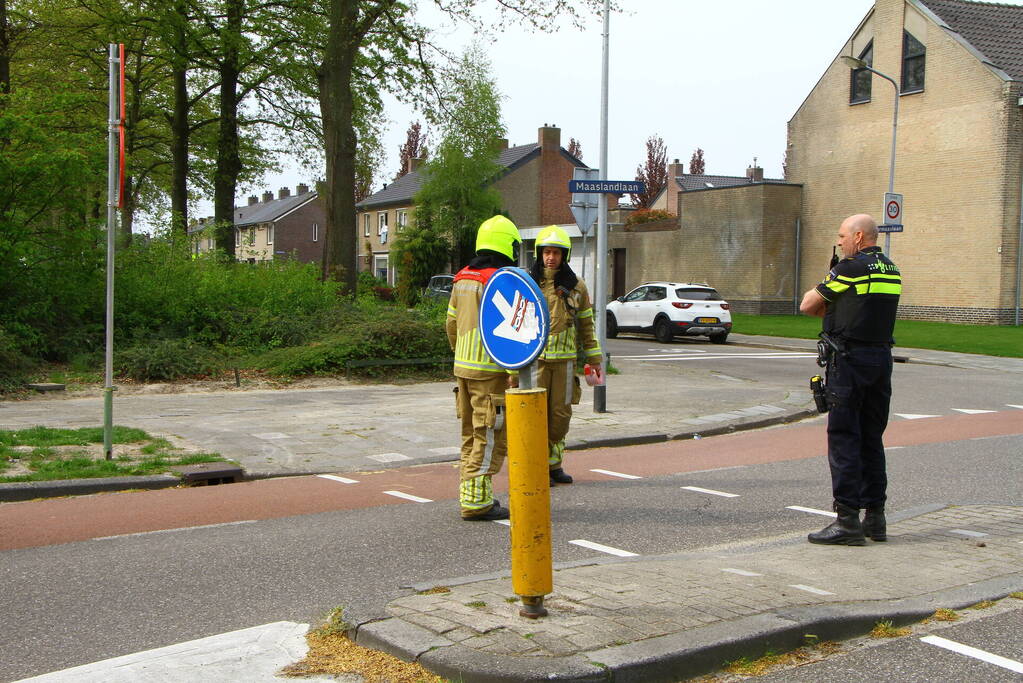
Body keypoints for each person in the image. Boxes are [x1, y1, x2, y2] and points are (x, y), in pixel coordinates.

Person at [799, 214, 902, 545]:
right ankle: (876, 518)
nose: (839, 241)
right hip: (880, 361)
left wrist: (829, 279)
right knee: (872, 439)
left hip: (850, 361)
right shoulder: (891, 269)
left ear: (859, 237)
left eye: (842, 236)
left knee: (844, 439)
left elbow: (808, 305)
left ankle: (846, 521)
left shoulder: (850, 268)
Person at [446, 215, 522, 521]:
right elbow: (513, 334)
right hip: (491, 372)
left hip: (462, 368)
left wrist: (460, 354)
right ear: (508, 244)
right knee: (489, 435)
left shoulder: (462, 277)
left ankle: (472, 493)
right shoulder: (500, 280)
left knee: (469, 434)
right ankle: (477, 503)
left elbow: (450, 324)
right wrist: (514, 374)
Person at [528, 225, 603, 486]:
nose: (551, 257)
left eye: (556, 253)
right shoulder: (528, 282)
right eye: (547, 252)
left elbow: (586, 324)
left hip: (565, 363)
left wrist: (594, 359)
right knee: (534, 417)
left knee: (560, 416)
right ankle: (537, 468)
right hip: (535, 363)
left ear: (564, 255)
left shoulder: (577, 286)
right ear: (540, 253)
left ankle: (555, 465)